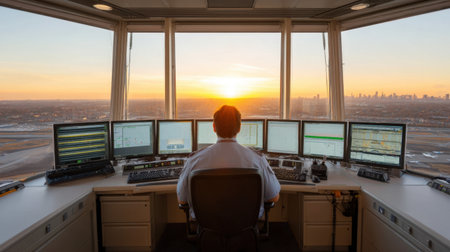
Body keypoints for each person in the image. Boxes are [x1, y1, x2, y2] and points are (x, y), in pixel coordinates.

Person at [177, 105, 280, 218]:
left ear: (214, 127)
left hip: (207, 228)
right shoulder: (258, 160)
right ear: (239, 128)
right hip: (246, 227)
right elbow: (273, 197)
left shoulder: (194, 161)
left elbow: (182, 200)